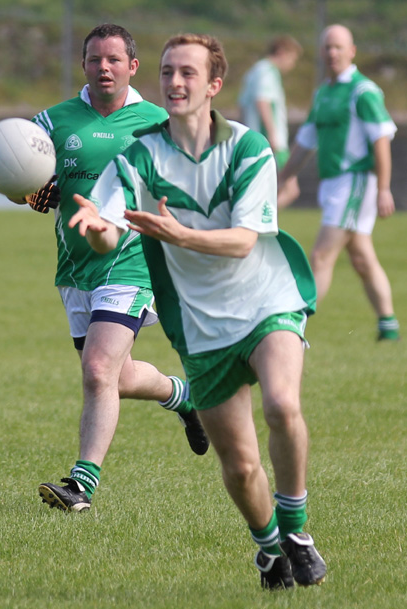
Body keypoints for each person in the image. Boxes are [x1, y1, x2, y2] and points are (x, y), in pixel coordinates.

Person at [69, 33, 327, 591]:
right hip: (202, 323)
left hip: (265, 300)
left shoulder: (248, 148)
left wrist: (178, 234)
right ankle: (267, 550)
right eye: (166, 72)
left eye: (187, 73)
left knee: (282, 404)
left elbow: (243, 241)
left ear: (214, 84)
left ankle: (298, 531)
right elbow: (110, 234)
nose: (175, 83)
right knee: (238, 465)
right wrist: (96, 232)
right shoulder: (137, 156)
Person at [24, 24, 209, 514]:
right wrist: (24, 190)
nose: (102, 68)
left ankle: (81, 485)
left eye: (112, 60)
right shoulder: (52, 120)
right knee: (118, 378)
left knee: (98, 368)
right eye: (93, 59)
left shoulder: (156, 122)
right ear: (83, 65)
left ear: (133, 66)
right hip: (74, 267)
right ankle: (184, 396)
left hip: (131, 264)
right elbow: (19, 167)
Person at [278, 24, 400, 341]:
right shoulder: (323, 93)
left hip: (356, 182)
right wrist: (282, 177)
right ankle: (388, 325)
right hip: (334, 184)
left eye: (339, 47)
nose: (332, 52)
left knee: (321, 256)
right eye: (327, 47)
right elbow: (305, 141)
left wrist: (384, 187)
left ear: (352, 51)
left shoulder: (364, 91)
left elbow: (381, 141)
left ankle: (294, 328)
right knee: (361, 256)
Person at [238, 35, 302, 208]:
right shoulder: (266, 71)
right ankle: (257, 225)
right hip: (271, 142)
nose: (292, 64)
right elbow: (263, 101)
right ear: (282, 52)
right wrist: (272, 136)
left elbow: (243, 107)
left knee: (268, 189)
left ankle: (255, 223)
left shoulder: (254, 72)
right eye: (292, 58)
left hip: (256, 141)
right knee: (290, 189)